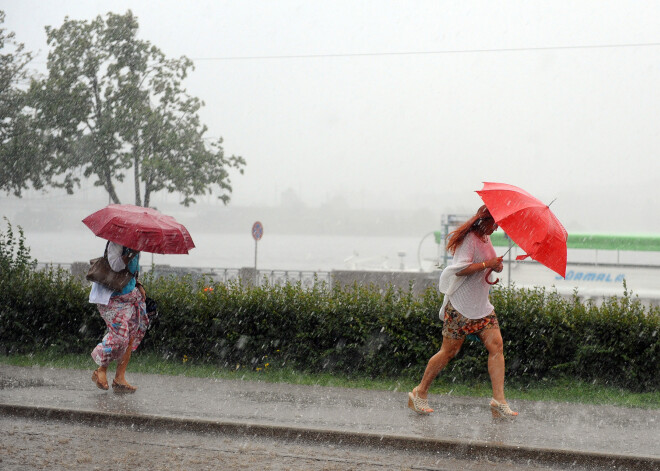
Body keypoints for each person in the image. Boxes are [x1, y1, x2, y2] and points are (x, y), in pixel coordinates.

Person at [407, 205, 518, 418]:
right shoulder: (469, 239)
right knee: (448, 352)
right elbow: (460, 269)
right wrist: (487, 263)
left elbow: (484, 264)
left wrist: (494, 266)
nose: (496, 228)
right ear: (484, 220)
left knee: (497, 347)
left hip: (482, 307)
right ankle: (419, 393)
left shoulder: (486, 237)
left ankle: (499, 400)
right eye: (493, 224)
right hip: (460, 307)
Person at [89, 241, 149, 393]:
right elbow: (115, 266)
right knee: (119, 338)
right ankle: (100, 370)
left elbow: (130, 271)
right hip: (112, 298)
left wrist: (138, 284)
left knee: (130, 337)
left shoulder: (133, 244)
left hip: (129, 296)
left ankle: (119, 378)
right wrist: (131, 253)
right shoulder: (116, 243)